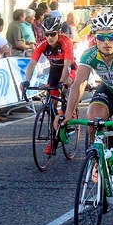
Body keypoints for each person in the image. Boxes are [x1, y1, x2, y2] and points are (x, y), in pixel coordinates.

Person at [55, 12, 113, 225]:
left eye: (111, 37)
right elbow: (79, 85)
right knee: (93, 117)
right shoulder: (89, 54)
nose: (106, 42)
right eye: (102, 37)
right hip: (108, 89)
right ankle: (98, 157)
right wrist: (67, 116)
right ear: (94, 37)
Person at [20, 16, 78, 152]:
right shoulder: (42, 44)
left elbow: (66, 67)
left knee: (65, 86)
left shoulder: (66, 42)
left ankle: (71, 112)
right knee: (51, 103)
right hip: (54, 70)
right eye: (47, 34)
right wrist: (26, 81)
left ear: (59, 33)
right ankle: (54, 138)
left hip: (69, 68)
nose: (50, 37)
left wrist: (62, 83)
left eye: (53, 34)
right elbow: (32, 64)